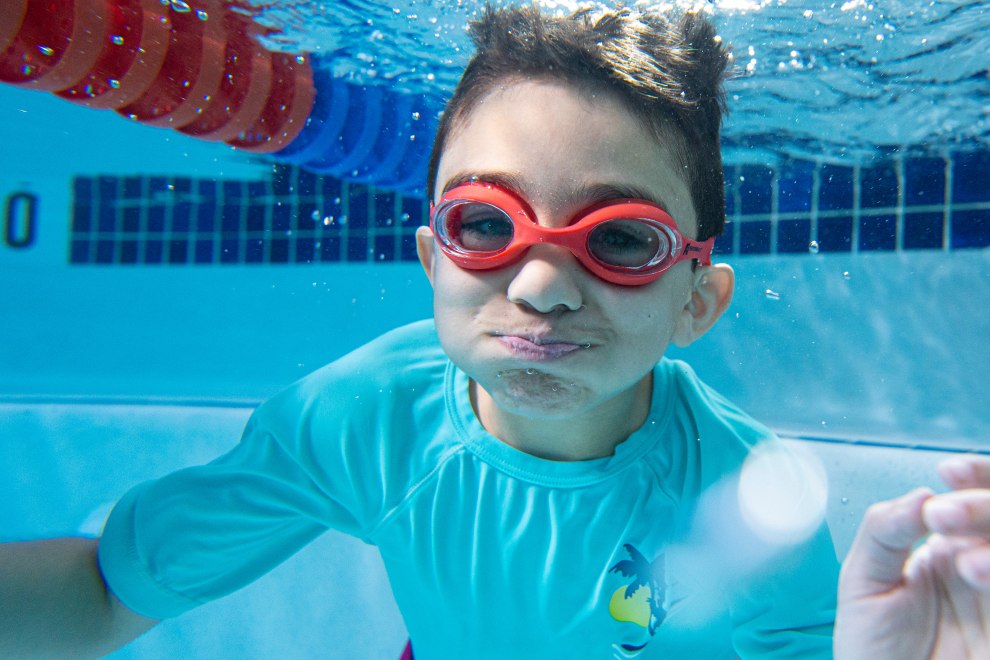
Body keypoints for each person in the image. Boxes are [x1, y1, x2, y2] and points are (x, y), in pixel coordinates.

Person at [2, 4, 989, 659]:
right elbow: (100, 592)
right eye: (485, 225)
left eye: (622, 240)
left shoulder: (746, 505)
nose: (546, 285)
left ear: (699, 300)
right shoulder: (365, 423)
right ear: (432, 261)